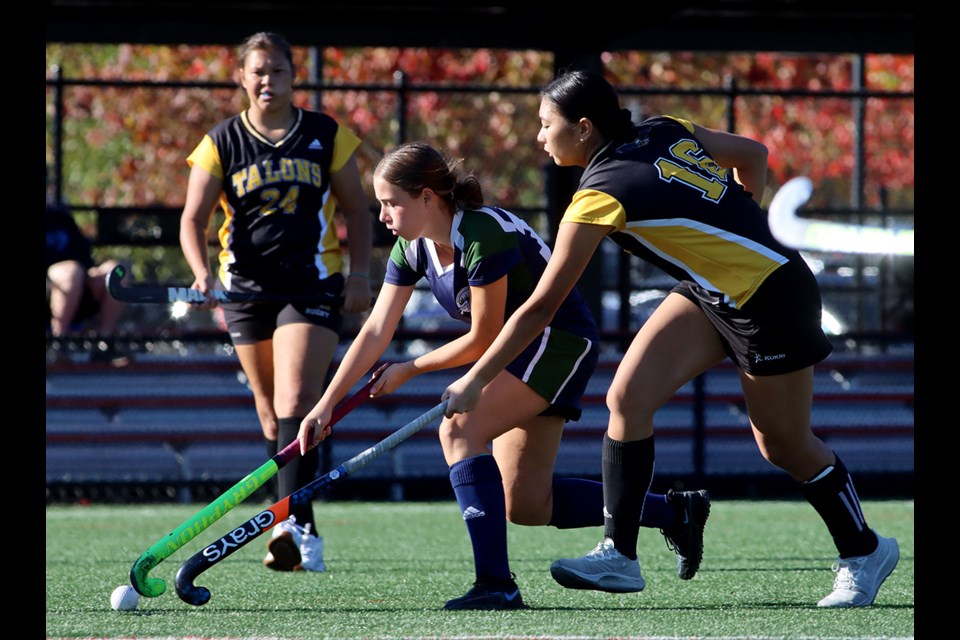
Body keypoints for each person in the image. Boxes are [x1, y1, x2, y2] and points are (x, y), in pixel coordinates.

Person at [442, 69, 899, 608]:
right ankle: (620, 554)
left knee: (783, 443)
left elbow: (542, 305)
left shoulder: (597, 196)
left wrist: (476, 379)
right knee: (627, 399)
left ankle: (864, 550)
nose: (539, 136)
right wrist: (741, 220)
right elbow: (752, 153)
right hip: (710, 293)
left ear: (583, 128)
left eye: (546, 125)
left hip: (771, 298)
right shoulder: (662, 128)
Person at [297, 141, 710, 610]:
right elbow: (375, 330)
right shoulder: (411, 249)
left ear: (429, 197)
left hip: (557, 343)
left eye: (393, 203)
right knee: (527, 504)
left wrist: (409, 369)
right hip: (514, 353)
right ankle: (674, 511)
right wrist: (326, 404)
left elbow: (481, 338)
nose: (384, 215)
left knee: (458, 430)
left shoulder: (480, 233)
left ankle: (496, 584)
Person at [178, 31, 373, 573]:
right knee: (271, 416)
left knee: (296, 399)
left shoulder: (325, 134)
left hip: (312, 284)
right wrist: (199, 276)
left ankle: (292, 525)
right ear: (242, 78)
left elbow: (358, 211)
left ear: (293, 77)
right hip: (244, 290)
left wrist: (360, 274)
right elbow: (192, 220)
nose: (268, 81)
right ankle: (294, 519)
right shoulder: (221, 142)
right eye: (258, 71)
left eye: (278, 71)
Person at [46, 167, 127, 362]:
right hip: (55, 284)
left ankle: (104, 343)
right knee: (70, 272)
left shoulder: (61, 218)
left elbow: (83, 257)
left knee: (115, 272)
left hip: (77, 281)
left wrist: (92, 272)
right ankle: (59, 343)